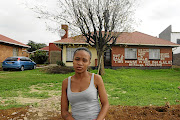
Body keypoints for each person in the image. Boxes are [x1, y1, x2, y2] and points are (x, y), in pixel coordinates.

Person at [61, 47, 109, 120]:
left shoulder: (96, 79)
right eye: (77, 59)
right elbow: (64, 112)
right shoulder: (66, 82)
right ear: (73, 61)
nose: (80, 63)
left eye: (84, 60)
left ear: (89, 63)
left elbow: (105, 104)